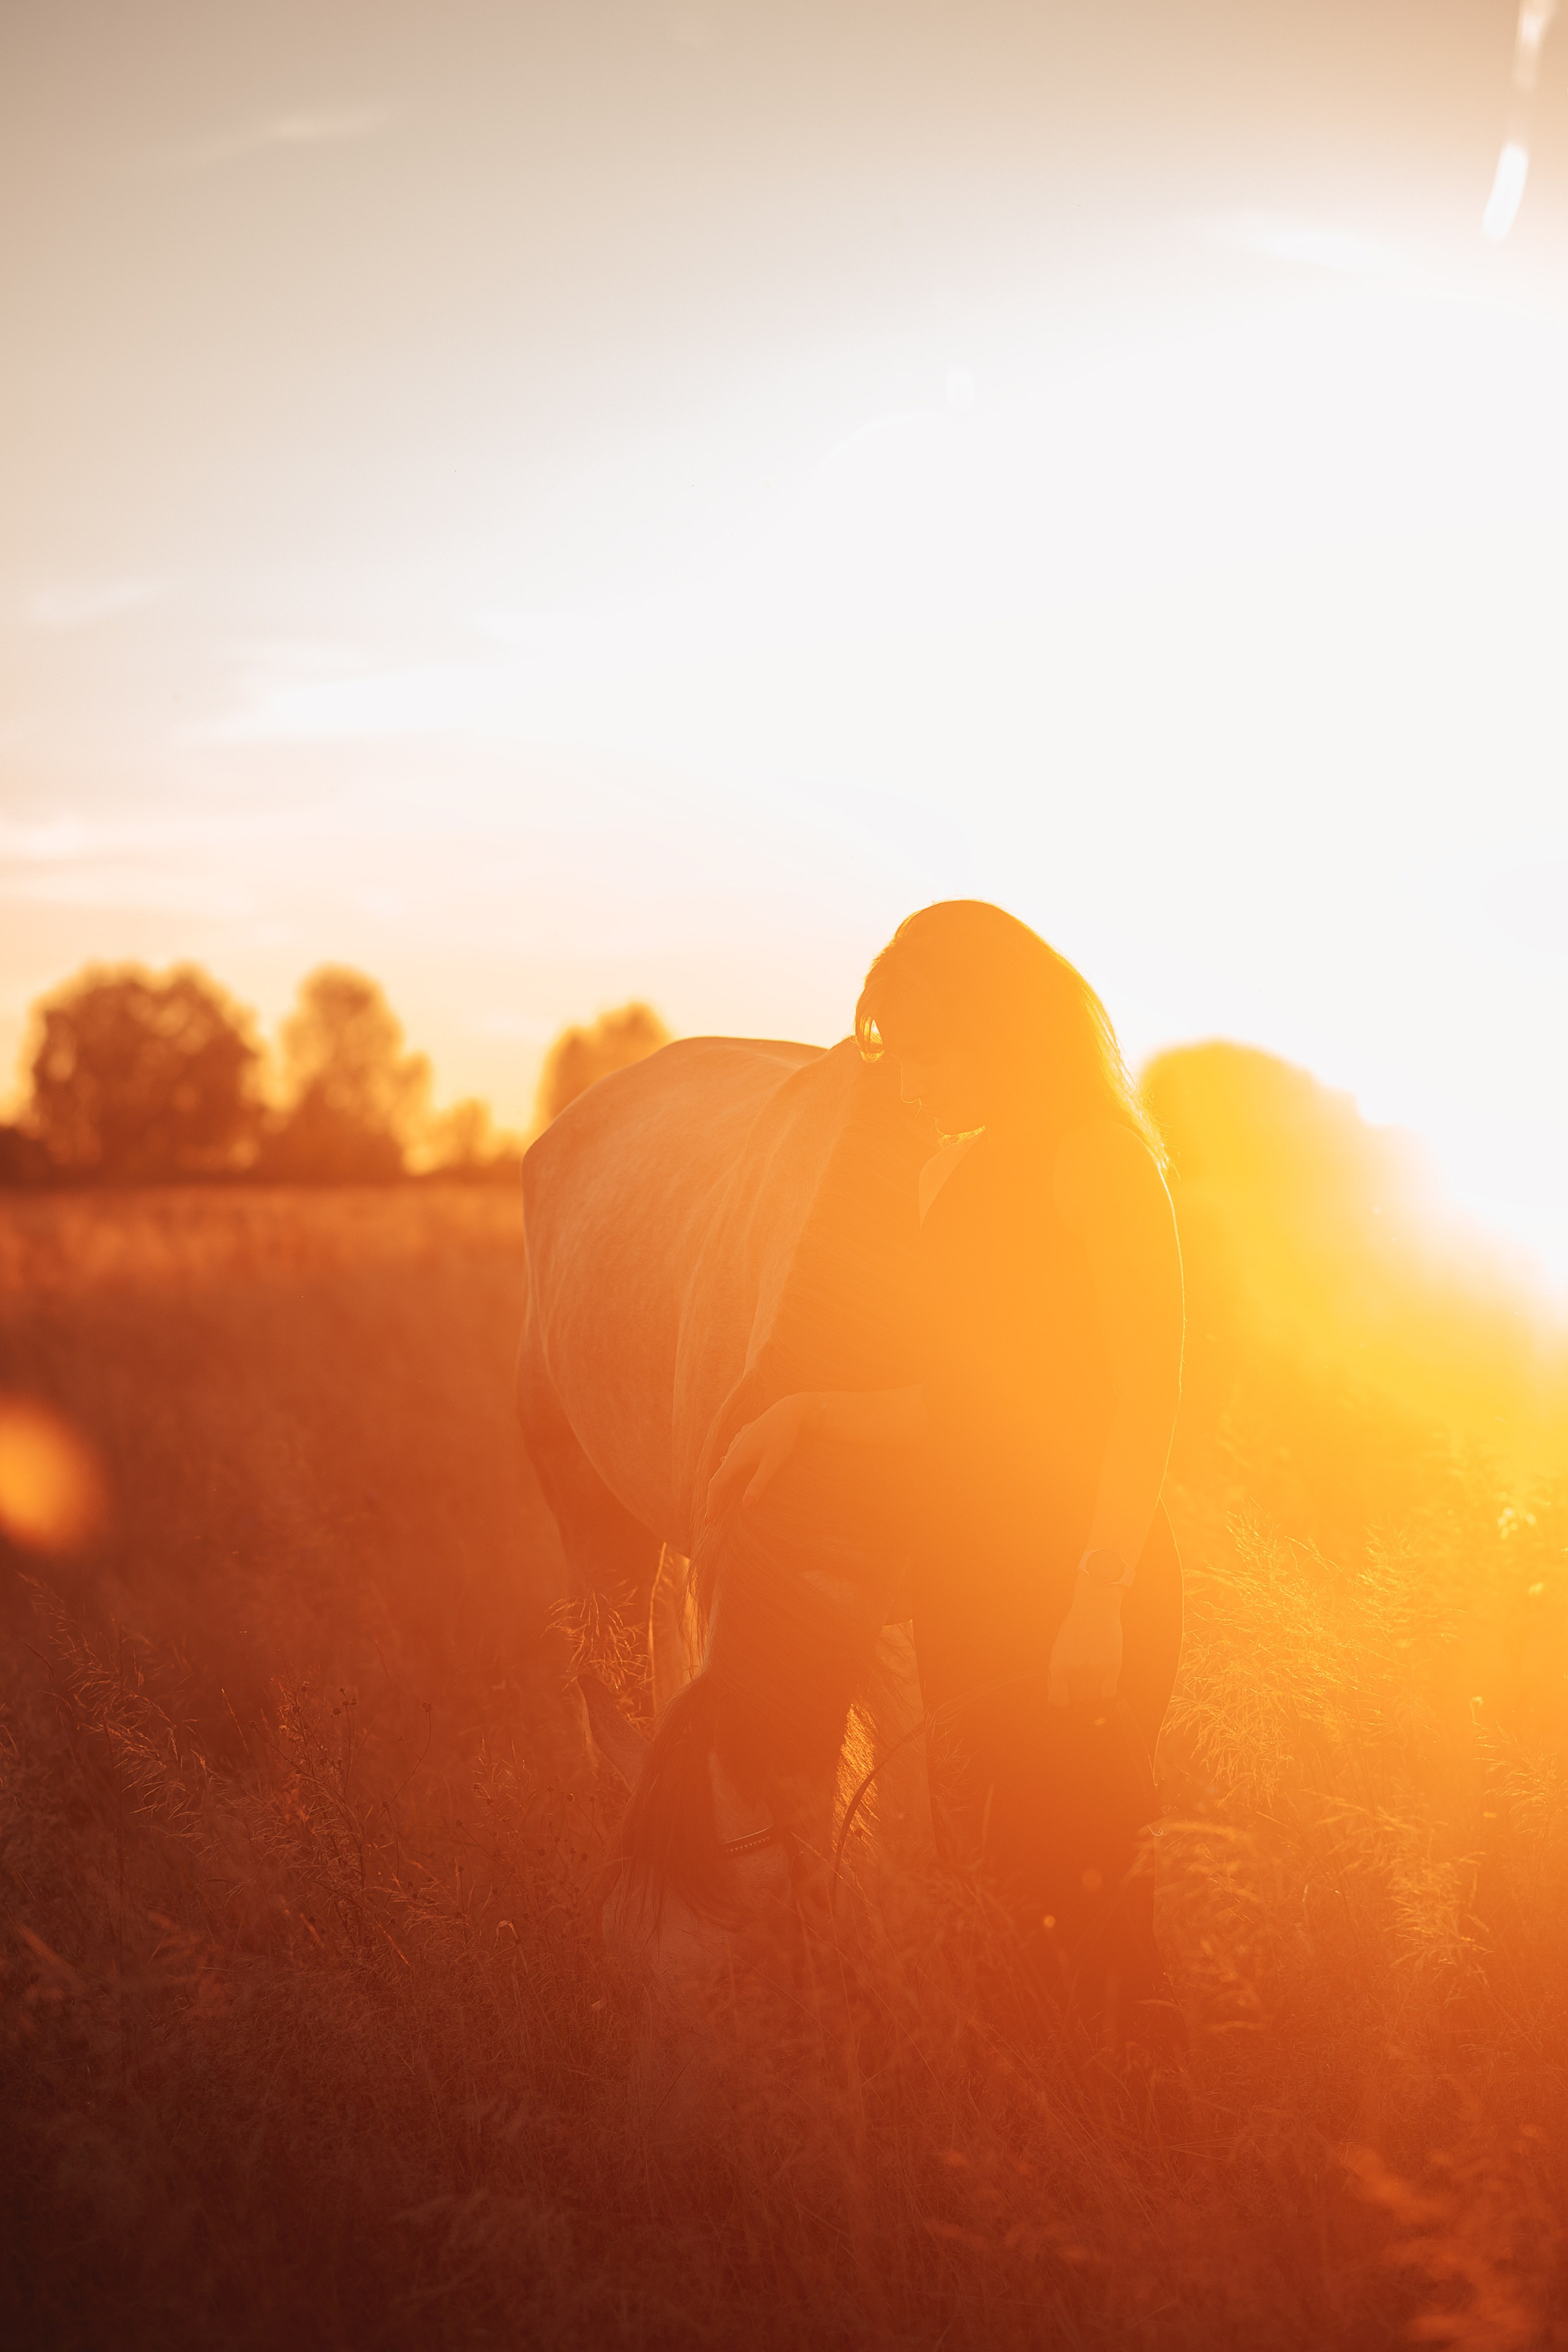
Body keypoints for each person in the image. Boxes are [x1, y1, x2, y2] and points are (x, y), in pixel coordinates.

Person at [705, 900, 1184, 2030]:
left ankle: (1131, 2111)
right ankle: (1015, 2117)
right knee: (988, 1889)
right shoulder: (953, 1177)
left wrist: (1098, 1596)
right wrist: (811, 1414)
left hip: (1079, 1579)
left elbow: (1146, 1403)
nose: (909, 1085)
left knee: (1091, 1897)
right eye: (896, 1058)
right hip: (966, 1586)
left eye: (927, 1053)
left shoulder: (1105, 1161)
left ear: (999, 1031)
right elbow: (963, 1404)